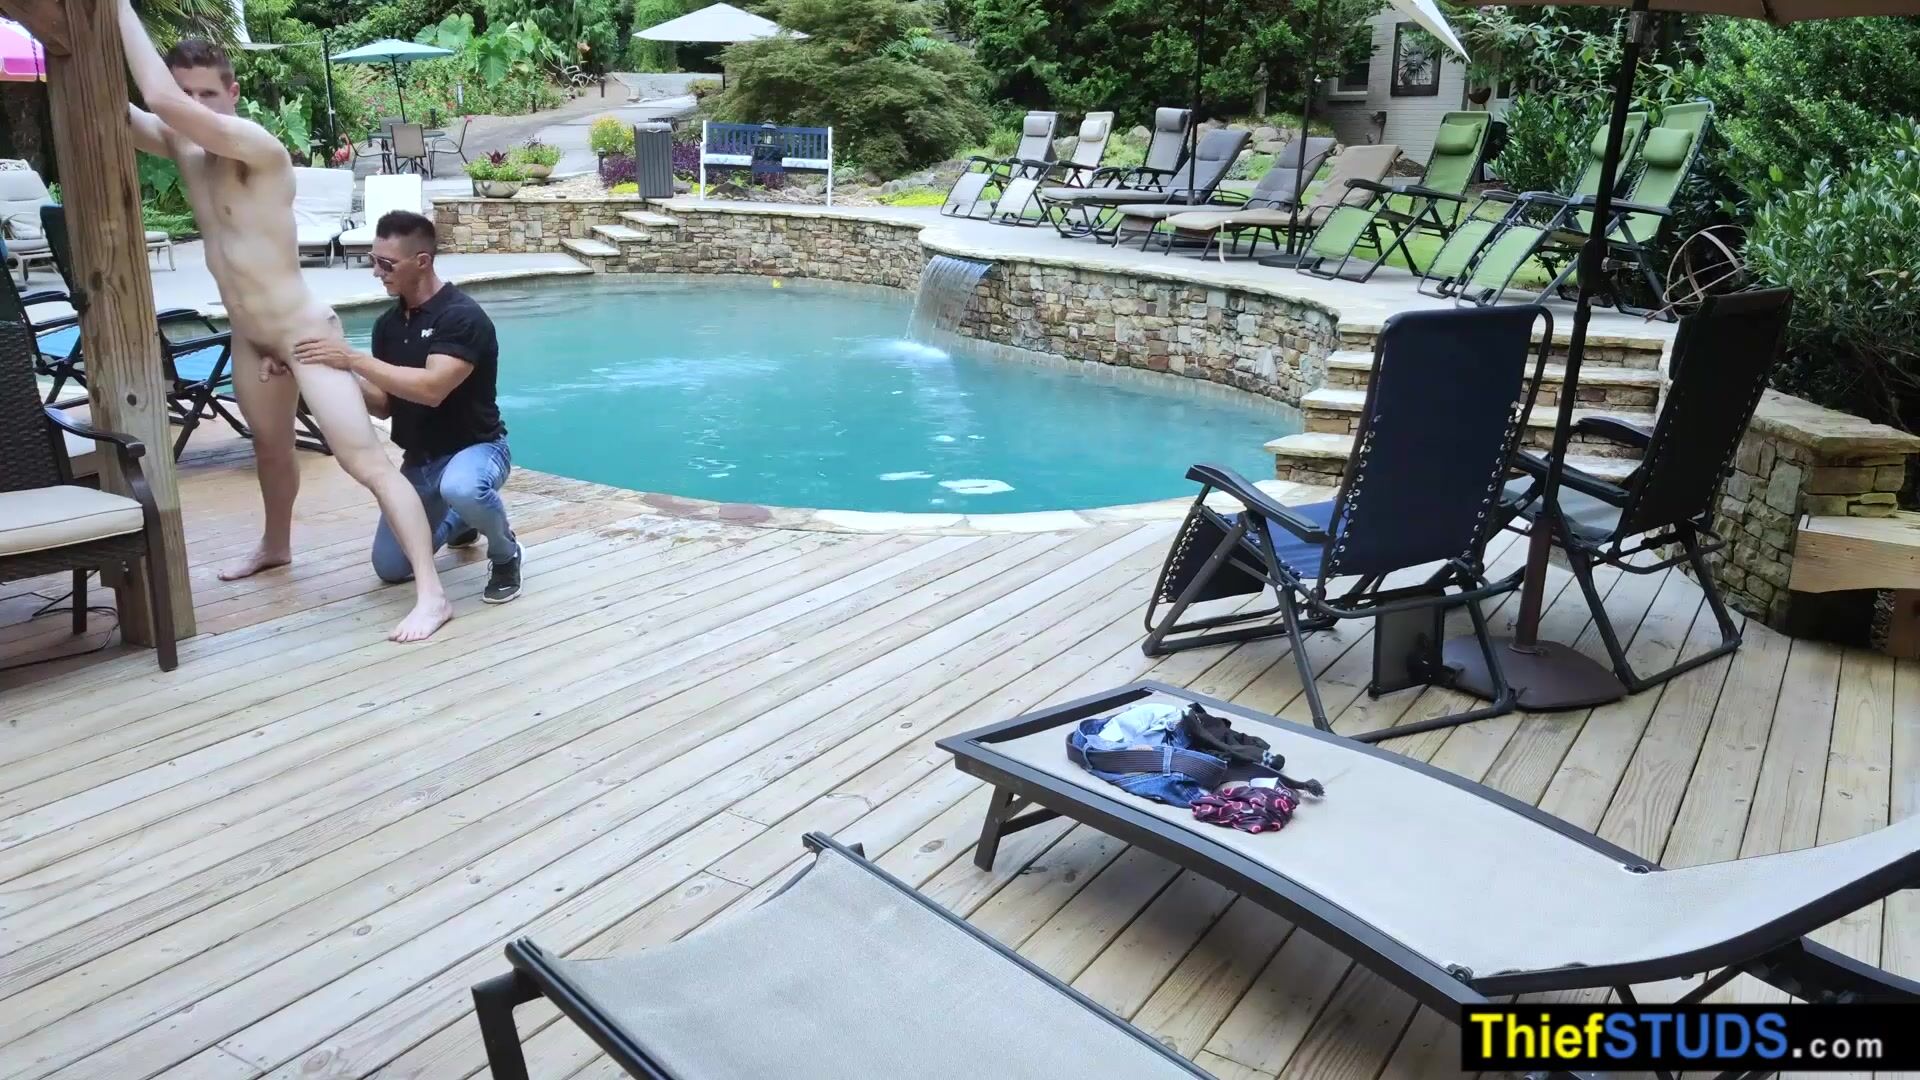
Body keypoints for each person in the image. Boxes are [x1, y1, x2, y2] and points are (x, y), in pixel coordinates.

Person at [116, 0, 452, 642]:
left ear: (233, 94)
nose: (195, 106)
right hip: (253, 338)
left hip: (305, 335)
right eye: (188, 93)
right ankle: (276, 545)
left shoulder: (257, 149)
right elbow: (121, 112)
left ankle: (431, 594)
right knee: (269, 449)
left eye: (207, 94)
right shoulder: (185, 146)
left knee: (365, 462)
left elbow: (155, 99)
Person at [292, 211, 523, 604]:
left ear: (422, 261)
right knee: (392, 567)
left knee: (462, 487)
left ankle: (505, 553)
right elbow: (384, 405)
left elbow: (432, 389)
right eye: (373, 261)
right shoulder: (388, 325)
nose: (376, 272)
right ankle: (460, 520)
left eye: (386, 264)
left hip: (477, 449)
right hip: (420, 461)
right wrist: (313, 379)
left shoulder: (461, 316)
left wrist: (352, 359)